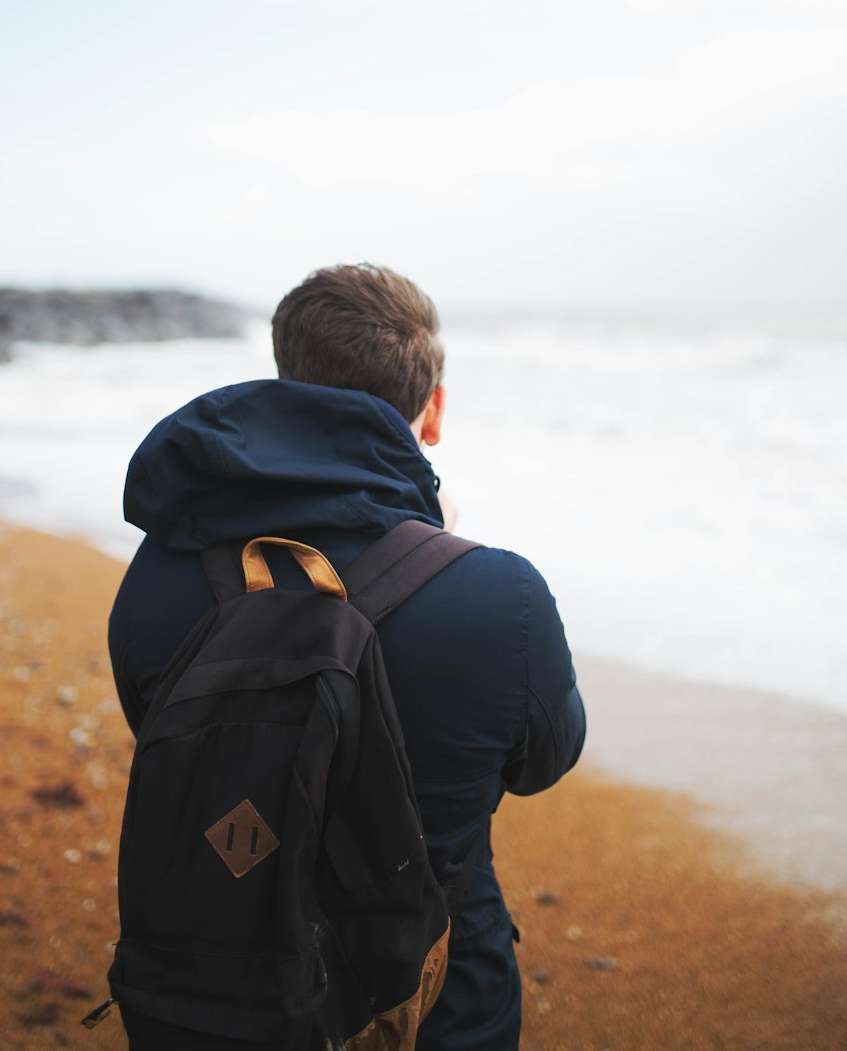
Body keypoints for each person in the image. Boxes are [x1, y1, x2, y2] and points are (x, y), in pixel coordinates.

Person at [109, 263, 586, 1050]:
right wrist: (438, 549)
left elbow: (160, 732)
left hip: (223, 997)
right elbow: (544, 761)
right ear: (431, 413)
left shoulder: (162, 572)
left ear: (289, 382)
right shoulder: (502, 596)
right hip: (437, 1004)